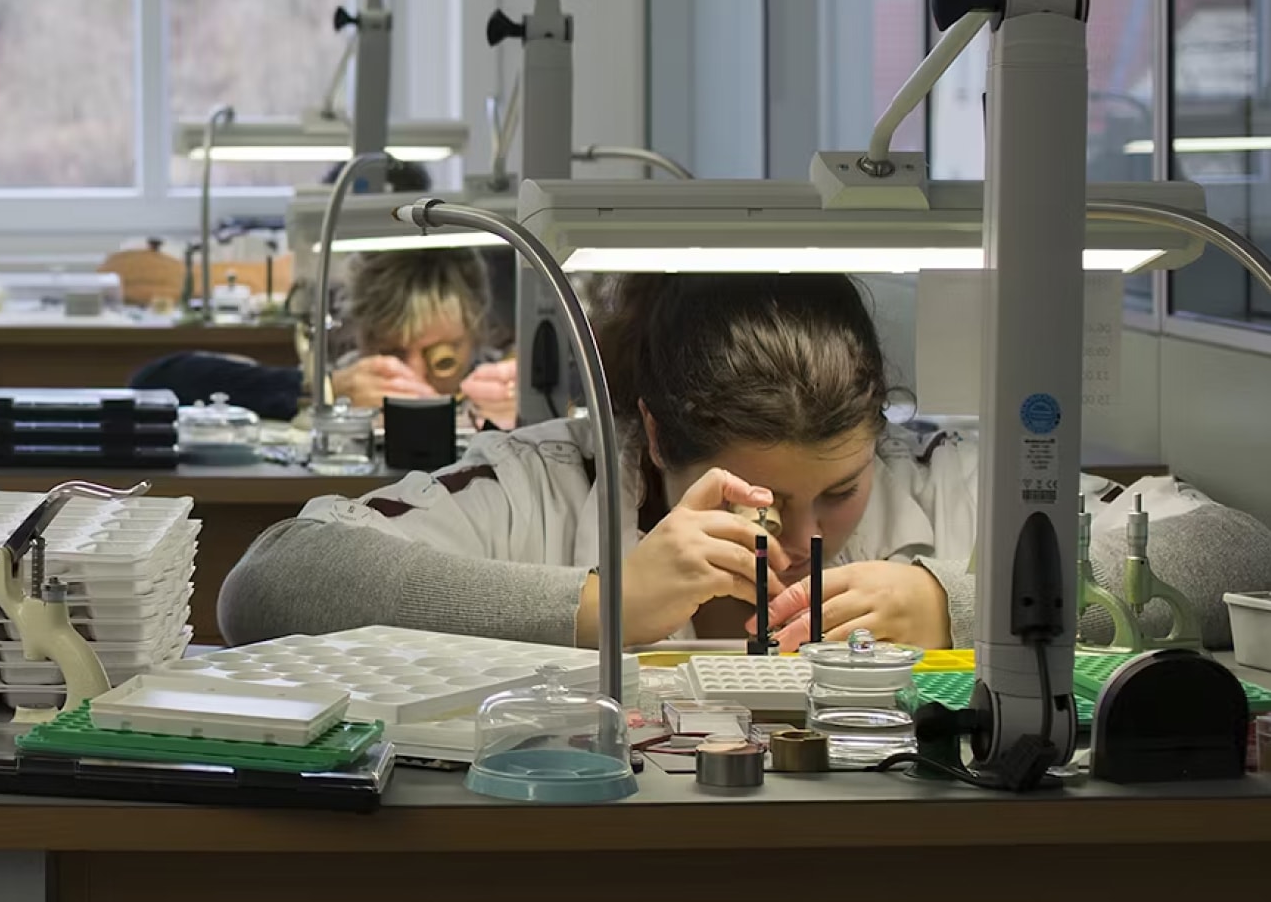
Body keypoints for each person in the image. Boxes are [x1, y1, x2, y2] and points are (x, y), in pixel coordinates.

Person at [219, 271, 1270, 653]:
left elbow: (1243, 554)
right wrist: (598, 607)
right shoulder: (553, 481)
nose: (806, 539)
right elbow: (270, 581)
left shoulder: (939, 472)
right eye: (763, 501)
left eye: (841, 493)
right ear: (656, 440)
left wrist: (961, 603)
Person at [326, 248, 518, 431]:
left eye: (443, 360)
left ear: (476, 335)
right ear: (362, 340)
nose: (415, 377)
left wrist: (520, 422)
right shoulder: (341, 387)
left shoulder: (504, 385)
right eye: (393, 355)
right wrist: (332, 402)